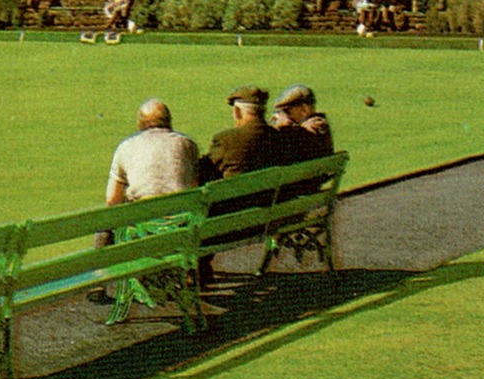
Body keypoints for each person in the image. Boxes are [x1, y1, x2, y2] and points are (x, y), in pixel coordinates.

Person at [92, 98, 201, 264]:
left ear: (140, 123)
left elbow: (112, 199)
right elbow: (193, 187)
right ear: (169, 121)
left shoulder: (126, 147)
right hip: (179, 223)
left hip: (143, 226)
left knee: (105, 223)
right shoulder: (188, 144)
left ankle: (98, 277)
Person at [196, 86, 282, 286]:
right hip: (267, 217)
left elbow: (202, 171)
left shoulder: (226, 139)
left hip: (233, 224)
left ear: (237, 112)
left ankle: (198, 267)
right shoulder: (279, 138)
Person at [271, 85, 333, 163]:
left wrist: (281, 127)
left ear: (304, 109)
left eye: (287, 111)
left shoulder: (316, 125)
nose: (285, 116)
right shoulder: (306, 126)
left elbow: (298, 143)